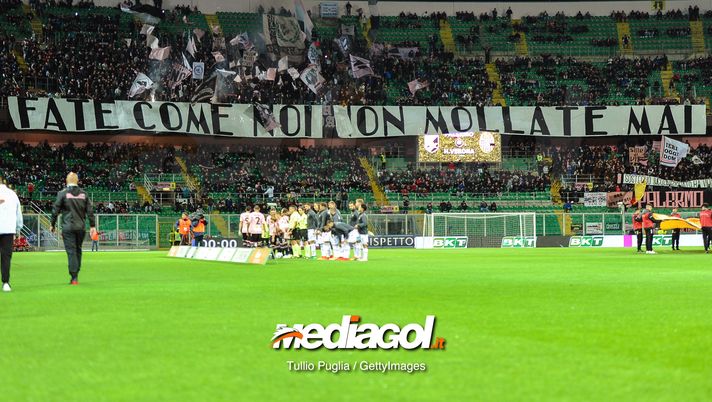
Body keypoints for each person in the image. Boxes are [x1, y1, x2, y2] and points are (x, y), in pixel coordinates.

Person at [50, 172, 95, 285]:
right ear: (77, 181)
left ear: (66, 181)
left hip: (68, 227)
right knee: (78, 250)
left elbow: (55, 209)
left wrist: (52, 224)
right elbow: (90, 211)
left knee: (71, 251)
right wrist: (93, 226)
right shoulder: (84, 194)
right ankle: (76, 272)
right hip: (80, 227)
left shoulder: (62, 193)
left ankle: (74, 276)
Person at [0, 175, 22, 292]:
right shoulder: (12, 194)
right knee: (6, 256)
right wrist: (18, 228)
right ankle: (5, 282)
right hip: (8, 229)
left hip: (7, 228)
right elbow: (18, 213)